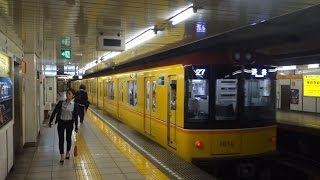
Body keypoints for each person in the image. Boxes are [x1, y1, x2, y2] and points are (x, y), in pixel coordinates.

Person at [49, 88, 78, 163]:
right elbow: (55, 111)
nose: (68, 95)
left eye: (69, 94)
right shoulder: (61, 103)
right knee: (61, 139)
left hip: (69, 123)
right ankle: (62, 155)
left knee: (68, 138)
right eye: (67, 93)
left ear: (73, 96)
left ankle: (67, 152)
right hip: (61, 123)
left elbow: (75, 116)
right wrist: (50, 120)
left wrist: (76, 126)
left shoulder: (74, 105)